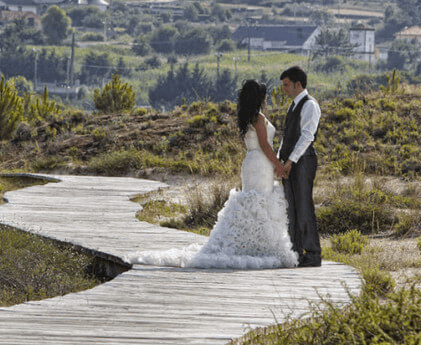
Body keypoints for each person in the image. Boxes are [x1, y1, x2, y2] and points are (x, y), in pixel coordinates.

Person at [129, 80, 297, 269]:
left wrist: (273, 164)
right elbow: (266, 146)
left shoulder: (248, 116)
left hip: (252, 161)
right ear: (260, 96)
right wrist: (280, 166)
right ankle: (259, 246)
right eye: (265, 94)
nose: (267, 97)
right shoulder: (258, 118)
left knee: (253, 203)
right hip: (260, 163)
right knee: (260, 203)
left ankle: (249, 245)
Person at [277, 65, 322, 267]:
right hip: (290, 162)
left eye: (286, 85)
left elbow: (307, 137)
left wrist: (290, 161)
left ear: (298, 84)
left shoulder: (310, 105)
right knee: (291, 207)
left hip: (303, 161)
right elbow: (287, 137)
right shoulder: (293, 105)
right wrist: (280, 160)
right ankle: (295, 251)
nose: (284, 89)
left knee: (304, 206)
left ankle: (312, 254)